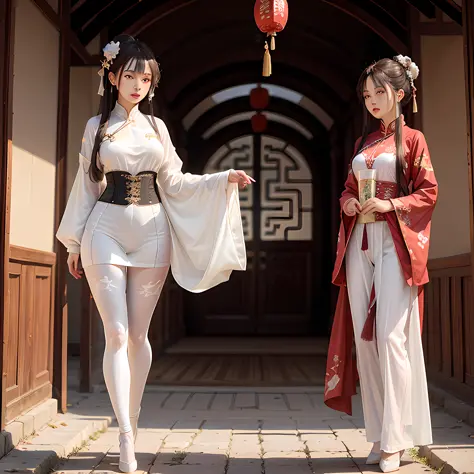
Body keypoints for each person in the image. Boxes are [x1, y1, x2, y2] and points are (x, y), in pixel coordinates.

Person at [56, 34, 253, 473]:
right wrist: (72, 242)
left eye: (145, 77)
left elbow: (177, 183)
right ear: (112, 76)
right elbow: (86, 185)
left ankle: (135, 418)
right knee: (118, 335)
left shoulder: (158, 129)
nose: (138, 83)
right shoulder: (96, 127)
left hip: (152, 234)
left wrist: (222, 178)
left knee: (139, 337)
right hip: (103, 231)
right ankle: (125, 434)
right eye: (130, 75)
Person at [324, 55, 437, 473]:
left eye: (379, 92)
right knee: (366, 340)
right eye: (367, 94)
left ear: (400, 93)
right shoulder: (363, 144)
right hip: (361, 242)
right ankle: (377, 435)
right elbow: (347, 190)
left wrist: (390, 202)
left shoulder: (413, 141)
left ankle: (396, 441)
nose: (371, 100)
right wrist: (350, 202)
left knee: (390, 338)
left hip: (395, 243)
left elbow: (428, 192)